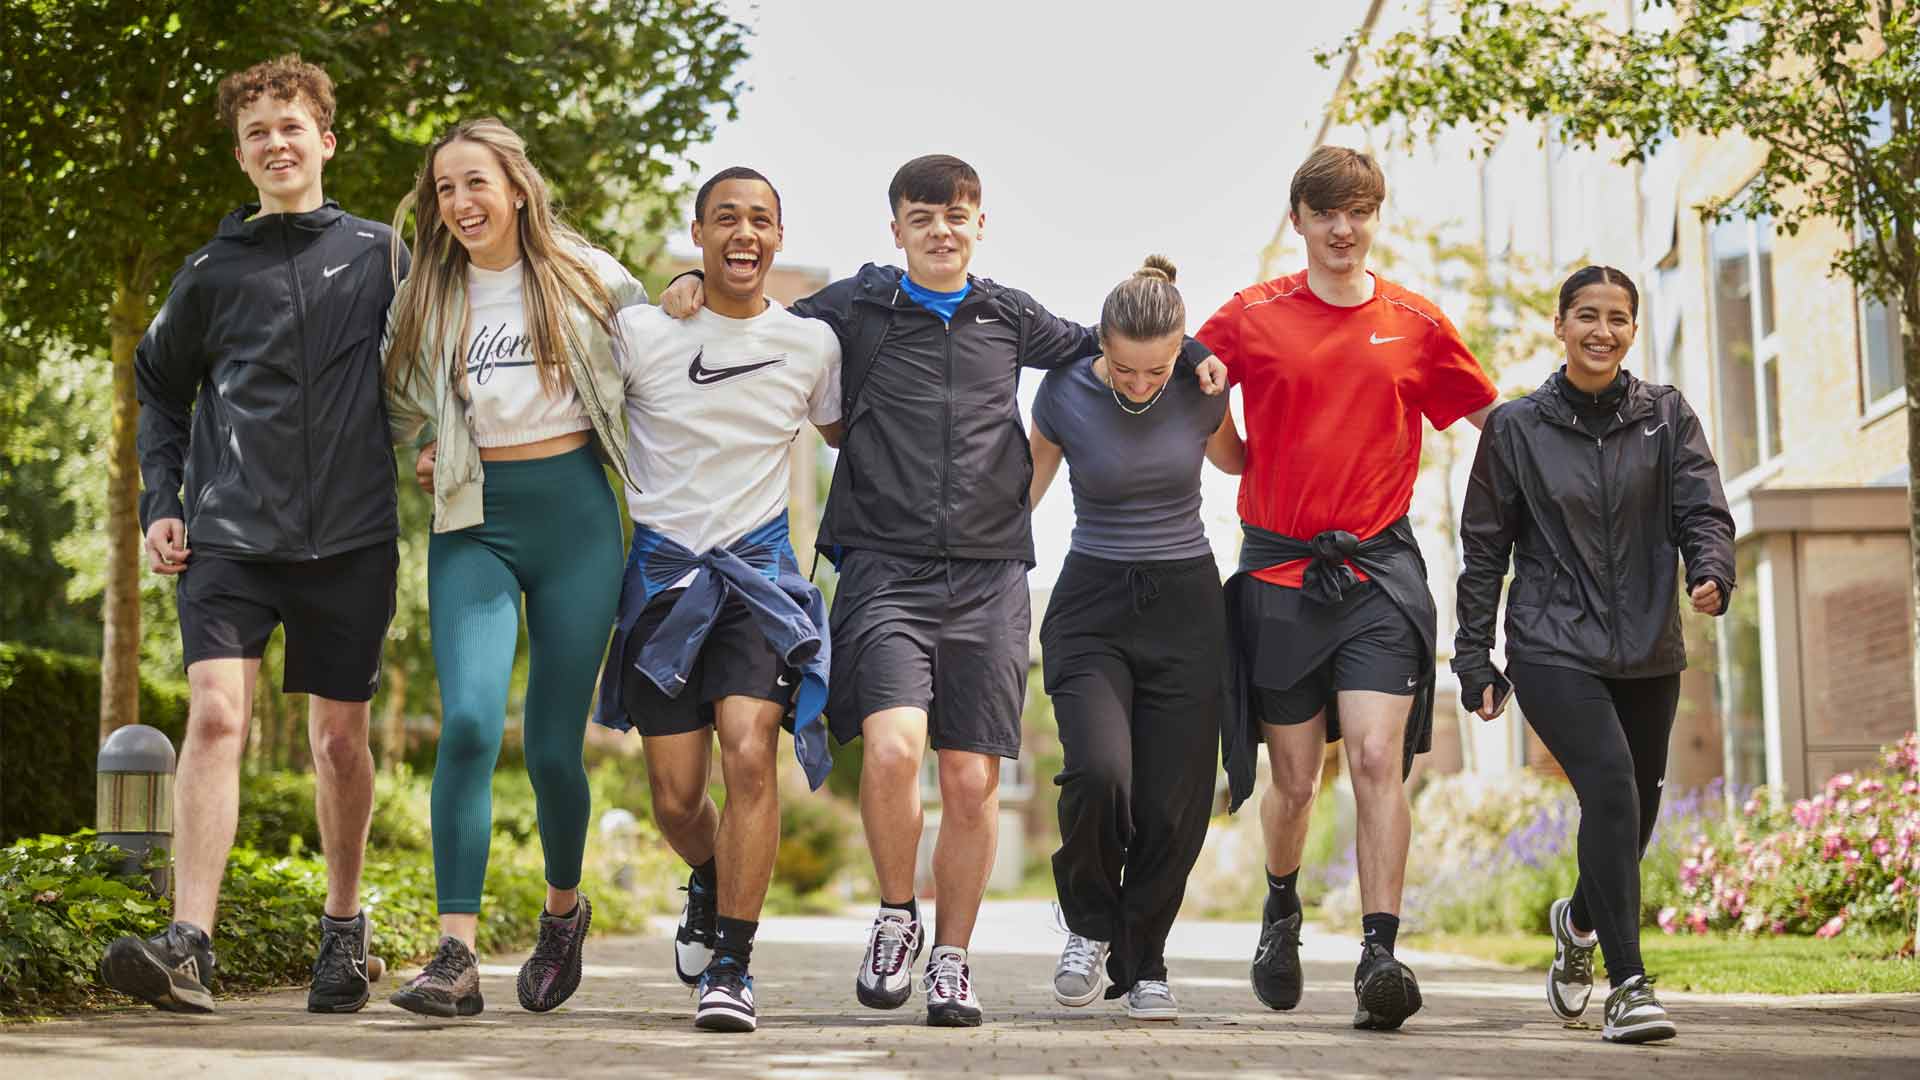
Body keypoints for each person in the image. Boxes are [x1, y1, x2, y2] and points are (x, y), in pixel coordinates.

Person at [661, 155, 1227, 1027]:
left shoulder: (1008, 314)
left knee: (970, 781)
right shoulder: (855, 305)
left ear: (979, 225)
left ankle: (953, 962)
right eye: (923, 217)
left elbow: (1113, 339)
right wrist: (687, 283)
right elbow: (761, 324)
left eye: (957, 215)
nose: (941, 230)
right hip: (885, 568)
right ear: (897, 228)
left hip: (991, 575)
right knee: (891, 753)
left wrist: (1195, 356)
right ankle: (897, 915)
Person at [105, 55, 405, 1016]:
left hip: (352, 536)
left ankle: (342, 932)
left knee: (338, 744)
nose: (277, 143)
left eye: (291, 126)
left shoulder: (381, 255)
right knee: (218, 718)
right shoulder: (209, 272)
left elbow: (449, 347)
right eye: (257, 134)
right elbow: (159, 384)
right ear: (242, 157)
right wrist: (165, 497)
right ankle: (189, 941)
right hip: (229, 535)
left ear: (326, 138)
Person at [1195, 145, 1497, 1031]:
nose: (1342, 228)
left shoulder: (1414, 320)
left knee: (1373, 759)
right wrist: (1233, 454)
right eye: (1325, 212)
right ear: (1298, 221)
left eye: (1358, 211)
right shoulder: (1253, 313)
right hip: (1280, 570)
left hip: (1377, 570)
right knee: (1293, 779)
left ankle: (1378, 954)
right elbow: (1190, 385)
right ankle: (1281, 908)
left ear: (1375, 218)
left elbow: (1496, 421)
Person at [380, 118, 646, 1018]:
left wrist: (688, 289)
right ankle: (454, 954)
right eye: (444, 189)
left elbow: (661, 365)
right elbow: (394, 406)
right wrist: (420, 449)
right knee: (464, 727)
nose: (459, 203)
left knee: (548, 749)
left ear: (517, 187)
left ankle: (562, 912)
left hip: (576, 518)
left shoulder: (590, 276)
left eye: (475, 183)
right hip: (473, 520)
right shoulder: (427, 296)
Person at [590, 166, 843, 1034]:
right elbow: (570, 404)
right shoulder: (641, 333)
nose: (745, 233)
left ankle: (732, 965)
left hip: (759, 581)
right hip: (664, 580)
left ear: (779, 237)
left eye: (761, 220)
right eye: (726, 218)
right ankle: (707, 875)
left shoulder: (811, 345)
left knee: (749, 750)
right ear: (697, 235)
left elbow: (850, 435)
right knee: (673, 797)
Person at [1454, 265, 1733, 1045]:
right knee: (1609, 787)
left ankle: (1577, 922)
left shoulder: (1666, 416)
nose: (1601, 331)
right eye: (1586, 315)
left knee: (1633, 813)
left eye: (1616, 318)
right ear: (1560, 323)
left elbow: (1701, 506)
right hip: (1552, 642)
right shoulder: (1516, 428)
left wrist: (1710, 570)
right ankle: (1629, 986)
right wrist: (1474, 657)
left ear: (1633, 330)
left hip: (1648, 643)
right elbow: (1484, 549)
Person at [1028, 257, 1242, 1021]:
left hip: (1186, 603)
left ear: (1180, 348)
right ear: (1101, 343)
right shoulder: (1065, 391)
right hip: (1091, 600)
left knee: (1172, 802)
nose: (1141, 384)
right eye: (1125, 367)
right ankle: (1088, 925)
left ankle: (1145, 960)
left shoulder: (1198, 388)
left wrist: (1209, 368)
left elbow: (1242, 464)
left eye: (1158, 368)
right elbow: (1023, 492)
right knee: (1098, 772)